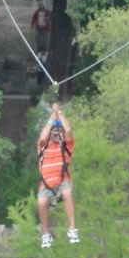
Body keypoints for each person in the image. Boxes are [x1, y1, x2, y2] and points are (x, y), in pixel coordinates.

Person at [37, 104, 78, 248]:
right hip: (47, 183)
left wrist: (59, 113)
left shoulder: (66, 146)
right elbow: (43, 136)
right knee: (41, 203)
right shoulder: (43, 146)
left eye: (58, 131)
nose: (57, 133)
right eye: (54, 131)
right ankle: (46, 234)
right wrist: (51, 119)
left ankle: (72, 230)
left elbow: (69, 130)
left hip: (62, 181)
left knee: (67, 192)